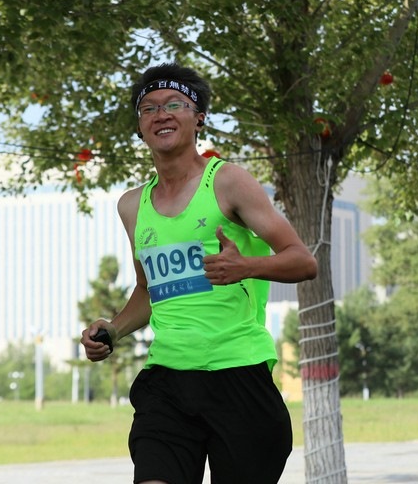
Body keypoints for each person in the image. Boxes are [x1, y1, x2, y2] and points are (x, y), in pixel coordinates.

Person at [81, 63, 318, 484]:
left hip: (238, 374)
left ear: (199, 118)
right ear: (140, 127)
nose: (161, 114)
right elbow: (147, 290)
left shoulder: (228, 182)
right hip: (167, 380)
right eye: (149, 108)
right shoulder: (132, 206)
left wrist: (246, 267)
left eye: (175, 104)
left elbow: (303, 260)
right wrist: (113, 330)